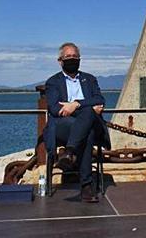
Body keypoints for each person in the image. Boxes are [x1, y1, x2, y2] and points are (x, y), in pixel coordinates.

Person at [43, 42, 109, 202]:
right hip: (63, 124)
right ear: (60, 61)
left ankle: (70, 152)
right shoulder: (53, 82)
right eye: (68, 57)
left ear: (80, 59)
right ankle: (86, 187)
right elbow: (54, 108)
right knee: (87, 127)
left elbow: (100, 99)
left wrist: (75, 105)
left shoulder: (90, 79)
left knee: (86, 126)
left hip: (86, 123)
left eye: (75, 57)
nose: (72, 59)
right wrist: (86, 106)